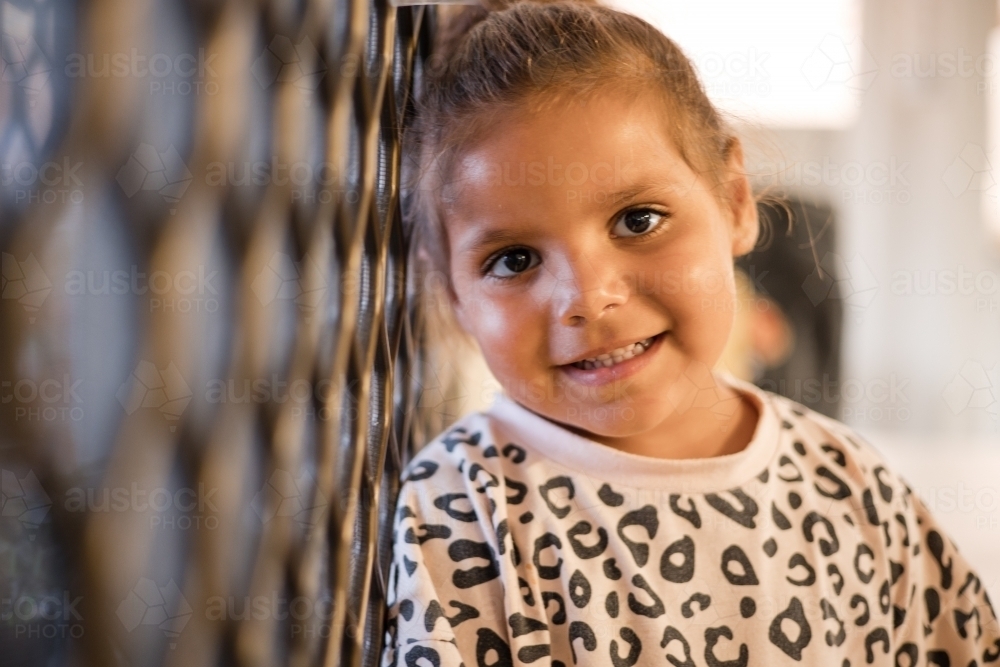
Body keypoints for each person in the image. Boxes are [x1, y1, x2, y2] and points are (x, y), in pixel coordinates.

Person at [382, 2, 1000, 665]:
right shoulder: (459, 509)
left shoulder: (854, 485)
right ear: (452, 292)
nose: (588, 298)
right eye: (514, 260)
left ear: (734, 199)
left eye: (638, 219)